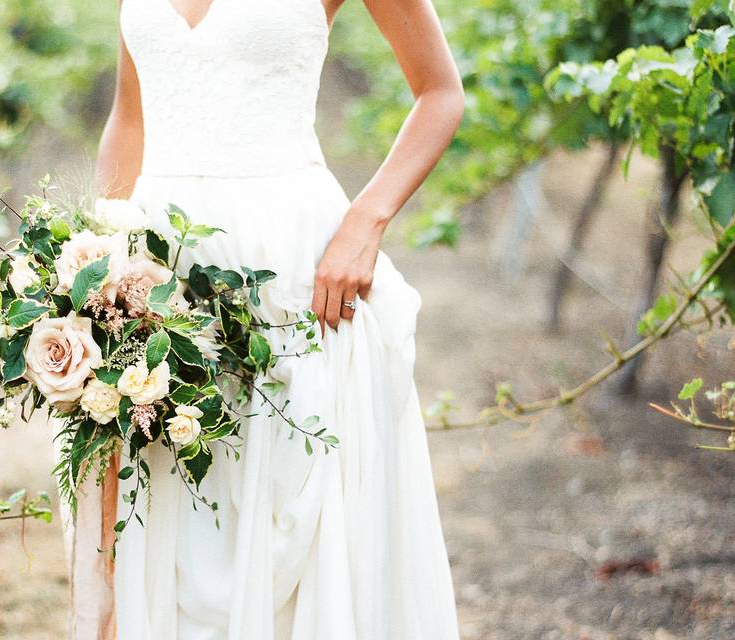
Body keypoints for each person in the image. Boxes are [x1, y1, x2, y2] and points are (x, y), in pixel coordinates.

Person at [61, 1, 465, 637]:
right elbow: (131, 119)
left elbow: (440, 93)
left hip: (293, 275)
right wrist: (92, 267)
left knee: (295, 516)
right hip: (157, 284)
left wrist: (366, 221)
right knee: (174, 514)